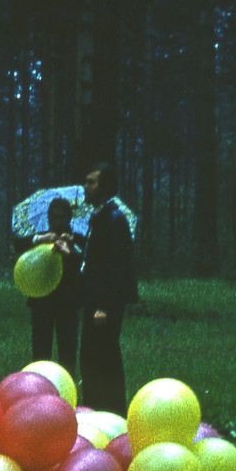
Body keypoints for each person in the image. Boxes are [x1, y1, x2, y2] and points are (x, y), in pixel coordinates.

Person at [79, 162, 138, 416]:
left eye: (91, 182)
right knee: (92, 357)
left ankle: (110, 412)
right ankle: (97, 409)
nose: (85, 187)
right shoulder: (101, 216)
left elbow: (115, 266)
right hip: (95, 300)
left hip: (104, 303)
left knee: (102, 358)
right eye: (86, 181)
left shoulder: (113, 218)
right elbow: (96, 259)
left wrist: (103, 306)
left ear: (105, 187)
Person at [12, 196, 84, 376]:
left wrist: (70, 246)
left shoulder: (77, 239)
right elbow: (17, 245)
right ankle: (39, 383)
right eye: (53, 217)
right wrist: (40, 238)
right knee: (40, 351)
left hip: (68, 302)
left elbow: (84, 259)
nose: (57, 222)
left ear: (69, 218)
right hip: (42, 300)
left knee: (67, 352)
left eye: (61, 217)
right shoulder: (43, 237)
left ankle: (67, 383)